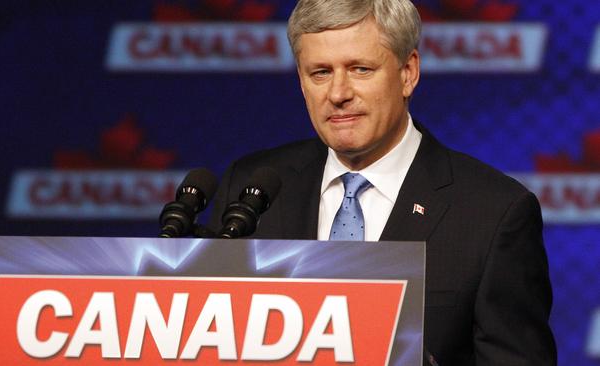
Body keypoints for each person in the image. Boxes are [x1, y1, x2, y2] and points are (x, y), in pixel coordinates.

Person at [210, 0, 557, 364]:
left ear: (408, 72)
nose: (338, 93)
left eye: (360, 69)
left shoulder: (493, 213)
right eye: (320, 73)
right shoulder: (252, 189)